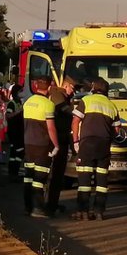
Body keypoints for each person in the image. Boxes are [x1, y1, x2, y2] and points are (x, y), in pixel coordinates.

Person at [70, 77, 121, 220]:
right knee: (102, 180)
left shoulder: (86, 101)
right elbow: (117, 129)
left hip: (87, 144)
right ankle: (99, 211)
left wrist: (75, 140)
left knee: (84, 179)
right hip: (103, 145)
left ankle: (83, 212)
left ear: (93, 88)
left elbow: (75, 121)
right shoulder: (111, 106)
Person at [22, 76, 59, 217]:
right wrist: (56, 145)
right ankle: (38, 209)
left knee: (28, 177)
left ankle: (28, 207)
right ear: (49, 87)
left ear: (36, 86)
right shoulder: (48, 104)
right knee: (40, 178)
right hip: (42, 145)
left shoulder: (28, 102)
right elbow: (51, 128)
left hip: (28, 144)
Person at [45, 75, 78, 216]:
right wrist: (80, 113)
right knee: (55, 174)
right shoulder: (58, 94)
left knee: (58, 175)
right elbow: (65, 110)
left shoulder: (62, 95)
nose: (73, 91)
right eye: (72, 88)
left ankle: (52, 204)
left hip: (61, 139)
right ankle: (50, 205)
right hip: (57, 140)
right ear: (66, 85)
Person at [5, 84, 24, 180]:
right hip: (14, 132)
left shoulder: (19, 102)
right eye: (21, 91)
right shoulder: (12, 103)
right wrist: (19, 112)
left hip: (18, 131)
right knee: (19, 152)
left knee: (14, 153)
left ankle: (13, 172)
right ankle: (14, 172)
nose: (22, 93)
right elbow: (8, 116)